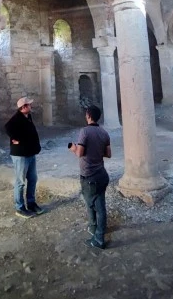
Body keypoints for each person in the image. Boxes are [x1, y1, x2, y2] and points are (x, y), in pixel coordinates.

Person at [69, 105, 111, 249]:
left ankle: (98, 237)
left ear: (88, 116)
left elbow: (80, 153)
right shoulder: (104, 133)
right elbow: (108, 154)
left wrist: (73, 148)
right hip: (101, 174)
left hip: (89, 176)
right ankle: (96, 231)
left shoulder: (85, 132)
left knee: (93, 206)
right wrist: (96, 151)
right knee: (99, 205)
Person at [4, 96, 43, 218]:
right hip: (20, 155)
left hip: (30, 153)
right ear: (24, 107)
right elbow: (7, 128)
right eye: (29, 105)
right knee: (20, 181)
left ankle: (31, 203)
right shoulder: (16, 118)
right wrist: (16, 139)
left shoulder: (28, 117)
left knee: (32, 179)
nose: (31, 106)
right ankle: (19, 207)